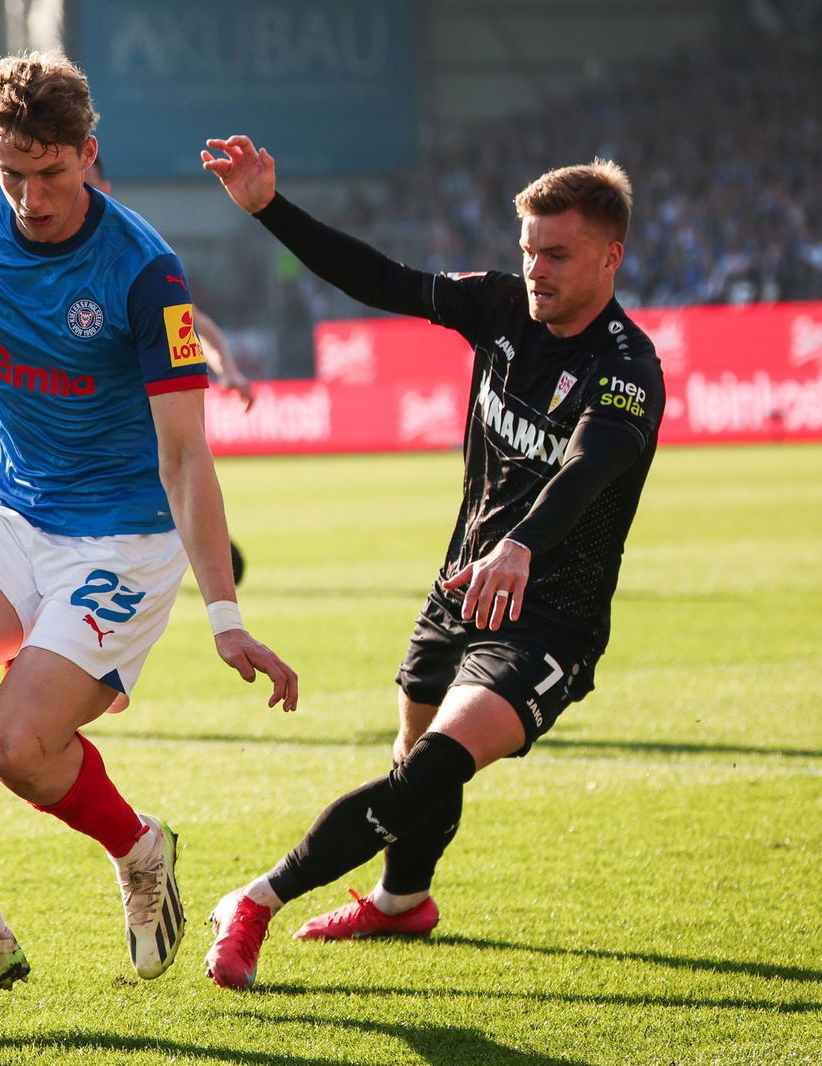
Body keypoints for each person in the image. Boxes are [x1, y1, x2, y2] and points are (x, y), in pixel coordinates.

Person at [0, 59, 298, 1017]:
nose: (31, 198)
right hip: (15, 513)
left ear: (88, 154)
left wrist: (226, 613)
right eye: (12, 174)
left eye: (52, 175)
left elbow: (188, 458)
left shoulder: (146, 271)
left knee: (22, 748)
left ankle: (138, 847)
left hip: (122, 542)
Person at [197, 135, 664, 989]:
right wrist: (269, 208)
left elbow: (592, 465)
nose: (536, 271)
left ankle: (257, 900)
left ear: (610, 256)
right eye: (528, 251)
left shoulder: (628, 366)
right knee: (410, 773)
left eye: (556, 255)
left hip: (548, 618)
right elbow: (381, 280)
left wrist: (522, 545)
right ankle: (404, 900)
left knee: (436, 766)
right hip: (461, 587)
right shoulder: (499, 308)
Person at [0, 155, 258, 412]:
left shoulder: (132, 258)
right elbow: (2, 325)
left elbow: (189, 320)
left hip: (122, 448)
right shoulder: (27, 252)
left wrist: (227, 369)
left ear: (102, 187)